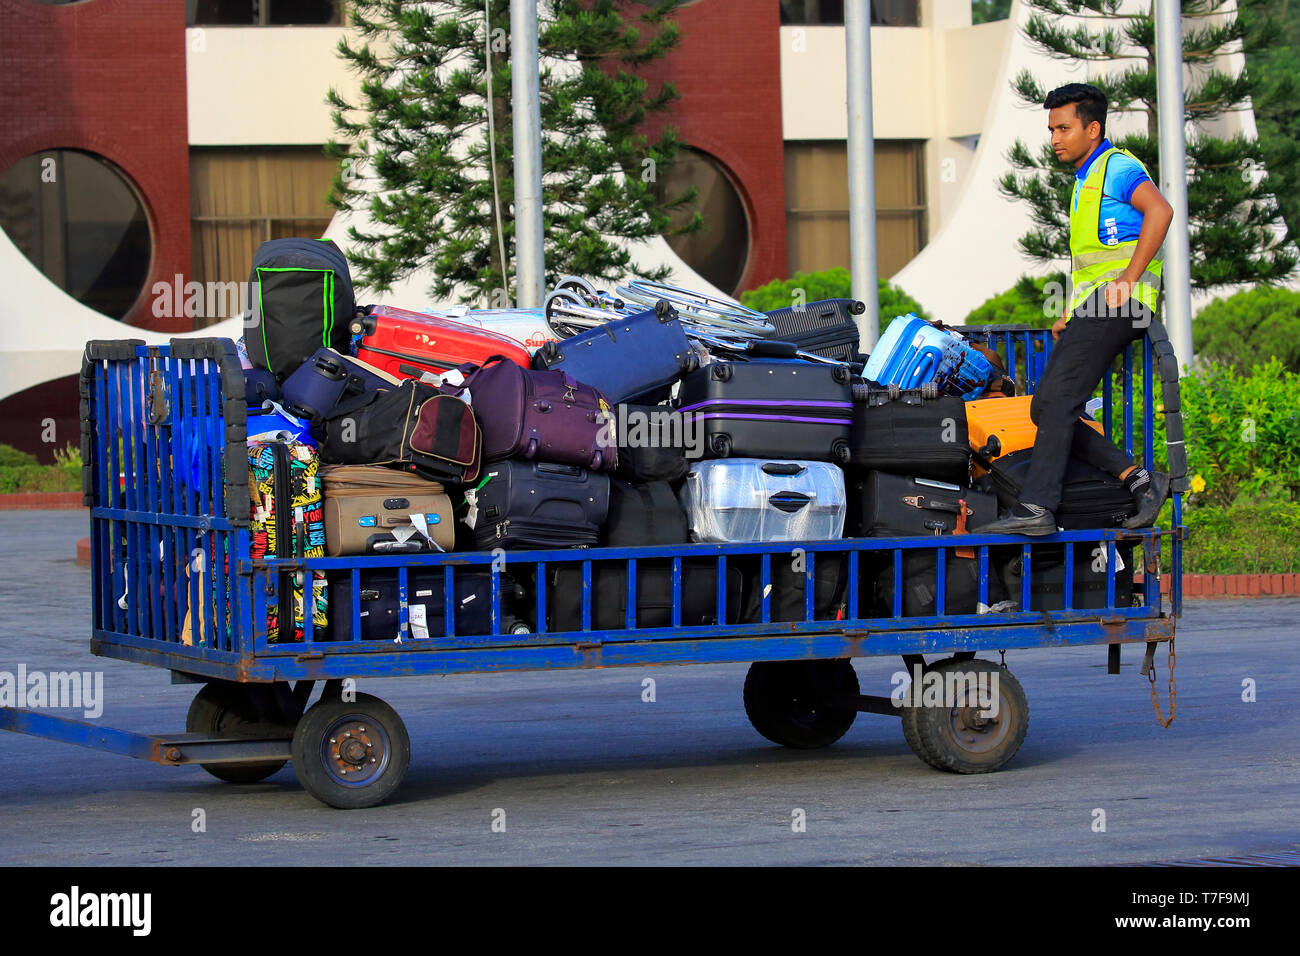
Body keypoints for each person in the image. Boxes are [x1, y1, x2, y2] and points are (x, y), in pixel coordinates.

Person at [981, 83, 1174, 535]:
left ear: (1093, 128)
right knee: (1045, 406)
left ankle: (1037, 509)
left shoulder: (1118, 167)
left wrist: (1129, 280)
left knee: (1057, 401)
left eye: (1064, 128)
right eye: (1050, 130)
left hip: (1125, 307)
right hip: (1097, 307)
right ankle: (1140, 479)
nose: (1054, 139)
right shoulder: (1086, 178)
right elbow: (1094, 263)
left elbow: (1160, 212)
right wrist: (1073, 309)